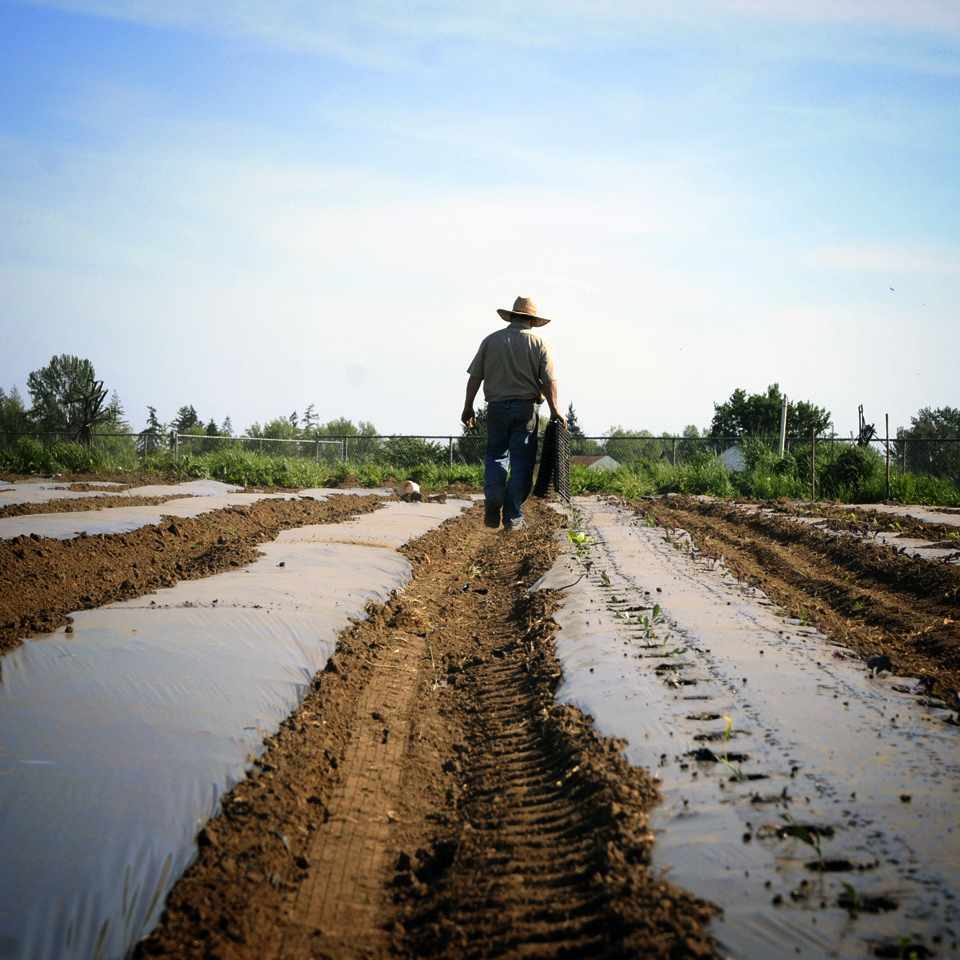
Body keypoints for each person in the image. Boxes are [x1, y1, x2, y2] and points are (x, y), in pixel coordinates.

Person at [461, 296, 567, 531]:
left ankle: (494, 497)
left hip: (496, 408)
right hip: (526, 409)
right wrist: (555, 410)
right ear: (531, 320)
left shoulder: (491, 340)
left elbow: (475, 376)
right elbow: (549, 380)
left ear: (512, 316)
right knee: (521, 463)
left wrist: (468, 406)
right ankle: (512, 516)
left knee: (496, 455)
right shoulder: (540, 343)